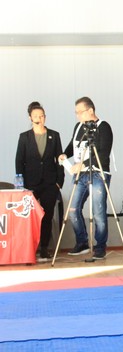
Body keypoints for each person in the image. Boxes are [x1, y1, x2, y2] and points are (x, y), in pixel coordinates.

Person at [57, 97, 113, 260]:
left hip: (98, 173)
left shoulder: (104, 127)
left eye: (80, 112)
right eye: (76, 113)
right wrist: (65, 154)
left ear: (91, 110)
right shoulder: (78, 127)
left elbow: (103, 154)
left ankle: (100, 247)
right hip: (80, 174)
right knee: (73, 209)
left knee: (98, 211)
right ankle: (82, 242)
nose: (78, 116)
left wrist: (83, 164)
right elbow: (73, 145)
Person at [15, 102, 65, 262]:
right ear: (30, 118)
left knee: (47, 216)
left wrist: (59, 182)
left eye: (41, 116)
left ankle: (44, 248)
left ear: (45, 117)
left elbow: (59, 159)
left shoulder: (54, 135)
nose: (39, 118)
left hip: (50, 183)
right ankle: (29, 248)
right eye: (35, 116)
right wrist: (21, 184)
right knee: (29, 216)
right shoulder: (24, 137)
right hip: (30, 183)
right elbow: (19, 161)